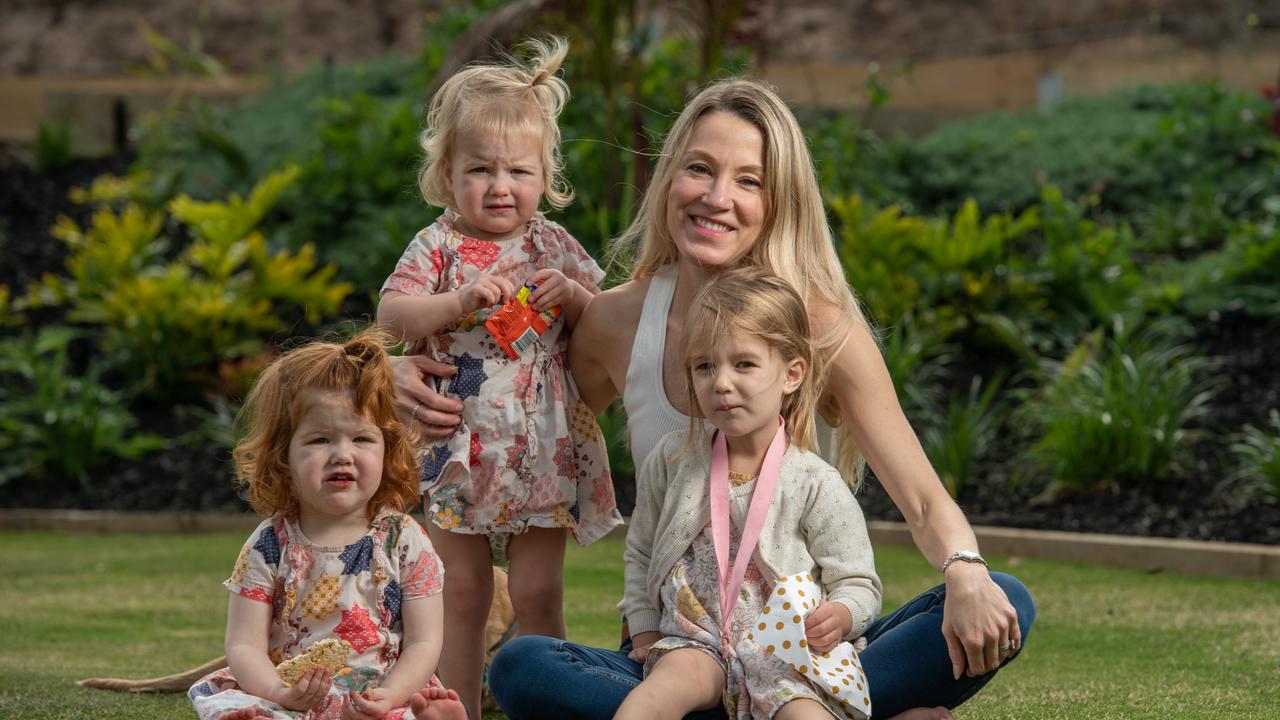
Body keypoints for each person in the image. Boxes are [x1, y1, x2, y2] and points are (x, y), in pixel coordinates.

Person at [467, 77, 1035, 719]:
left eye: (748, 181)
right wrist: (410, 379)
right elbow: (516, 417)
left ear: (778, 201)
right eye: (699, 170)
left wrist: (964, 569)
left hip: (800, 652)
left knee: (1004, 597)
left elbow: (924, 498)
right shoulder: (616, 322)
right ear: (668, 180)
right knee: (525, 666)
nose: (716, 198)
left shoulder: (817, 324)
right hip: (678, 652)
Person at [375, 35, 622, 717]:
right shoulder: (439, 246)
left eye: (518, 171)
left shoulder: (551, 244)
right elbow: (391, 314)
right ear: (447, 173)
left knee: (540, 589)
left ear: (544, 178)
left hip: (542, 447)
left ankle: (555, 699)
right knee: (462, 589)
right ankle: (455, 705)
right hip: (458, 446)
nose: (500, 186)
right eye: (480, 169)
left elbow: (608, 322)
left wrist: (573, 298)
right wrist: (454, 303)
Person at [615, 266, 881, 720]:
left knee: (805, 714)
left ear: (792, 374)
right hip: (694, 640)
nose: (721, 382)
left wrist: (841, 613)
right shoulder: (671, 460)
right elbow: (641, 551)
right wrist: (642, 629)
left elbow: (859, 581)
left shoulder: (815, 482)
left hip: (786, 652)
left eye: (744, 364)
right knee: (655, 693)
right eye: (704, 366)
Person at [187, 328, 465, 720]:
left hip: (376, 692)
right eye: (320, 440)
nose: (342, 455)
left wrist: (389, 694)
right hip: (288, 693)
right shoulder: (270, 543)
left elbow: (424, 641)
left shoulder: (404, 540)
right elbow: (245, 645)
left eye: (362, 439)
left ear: (389, 450)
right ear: (283, 455)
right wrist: (277, 691)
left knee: (408, 711)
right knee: (236, 703)